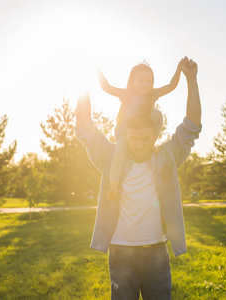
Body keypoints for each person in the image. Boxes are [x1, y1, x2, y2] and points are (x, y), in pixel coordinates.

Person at [75, 57, 201, 300]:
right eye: (134, 139)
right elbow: (85, 128)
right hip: (121, 253)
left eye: (146, 139)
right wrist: (84, 84)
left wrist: (191, 79)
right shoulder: (112, 156)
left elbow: (192, 126)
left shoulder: (165, 157)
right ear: (125, 135)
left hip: (157, 254)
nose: (140, 145)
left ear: (154, 135)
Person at [98, 60, 182, 201]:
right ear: (133, 82)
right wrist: (97, 69)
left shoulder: (153, 95)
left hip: (143, 134)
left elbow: (171, 86)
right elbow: (106, 87)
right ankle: (113, 186)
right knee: (120, 151)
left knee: (157, 114)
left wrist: (179, 69)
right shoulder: (126, 94)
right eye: (141, 81)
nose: (145, 84)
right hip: (124, 133)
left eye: (149, 81)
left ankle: (150, 144)